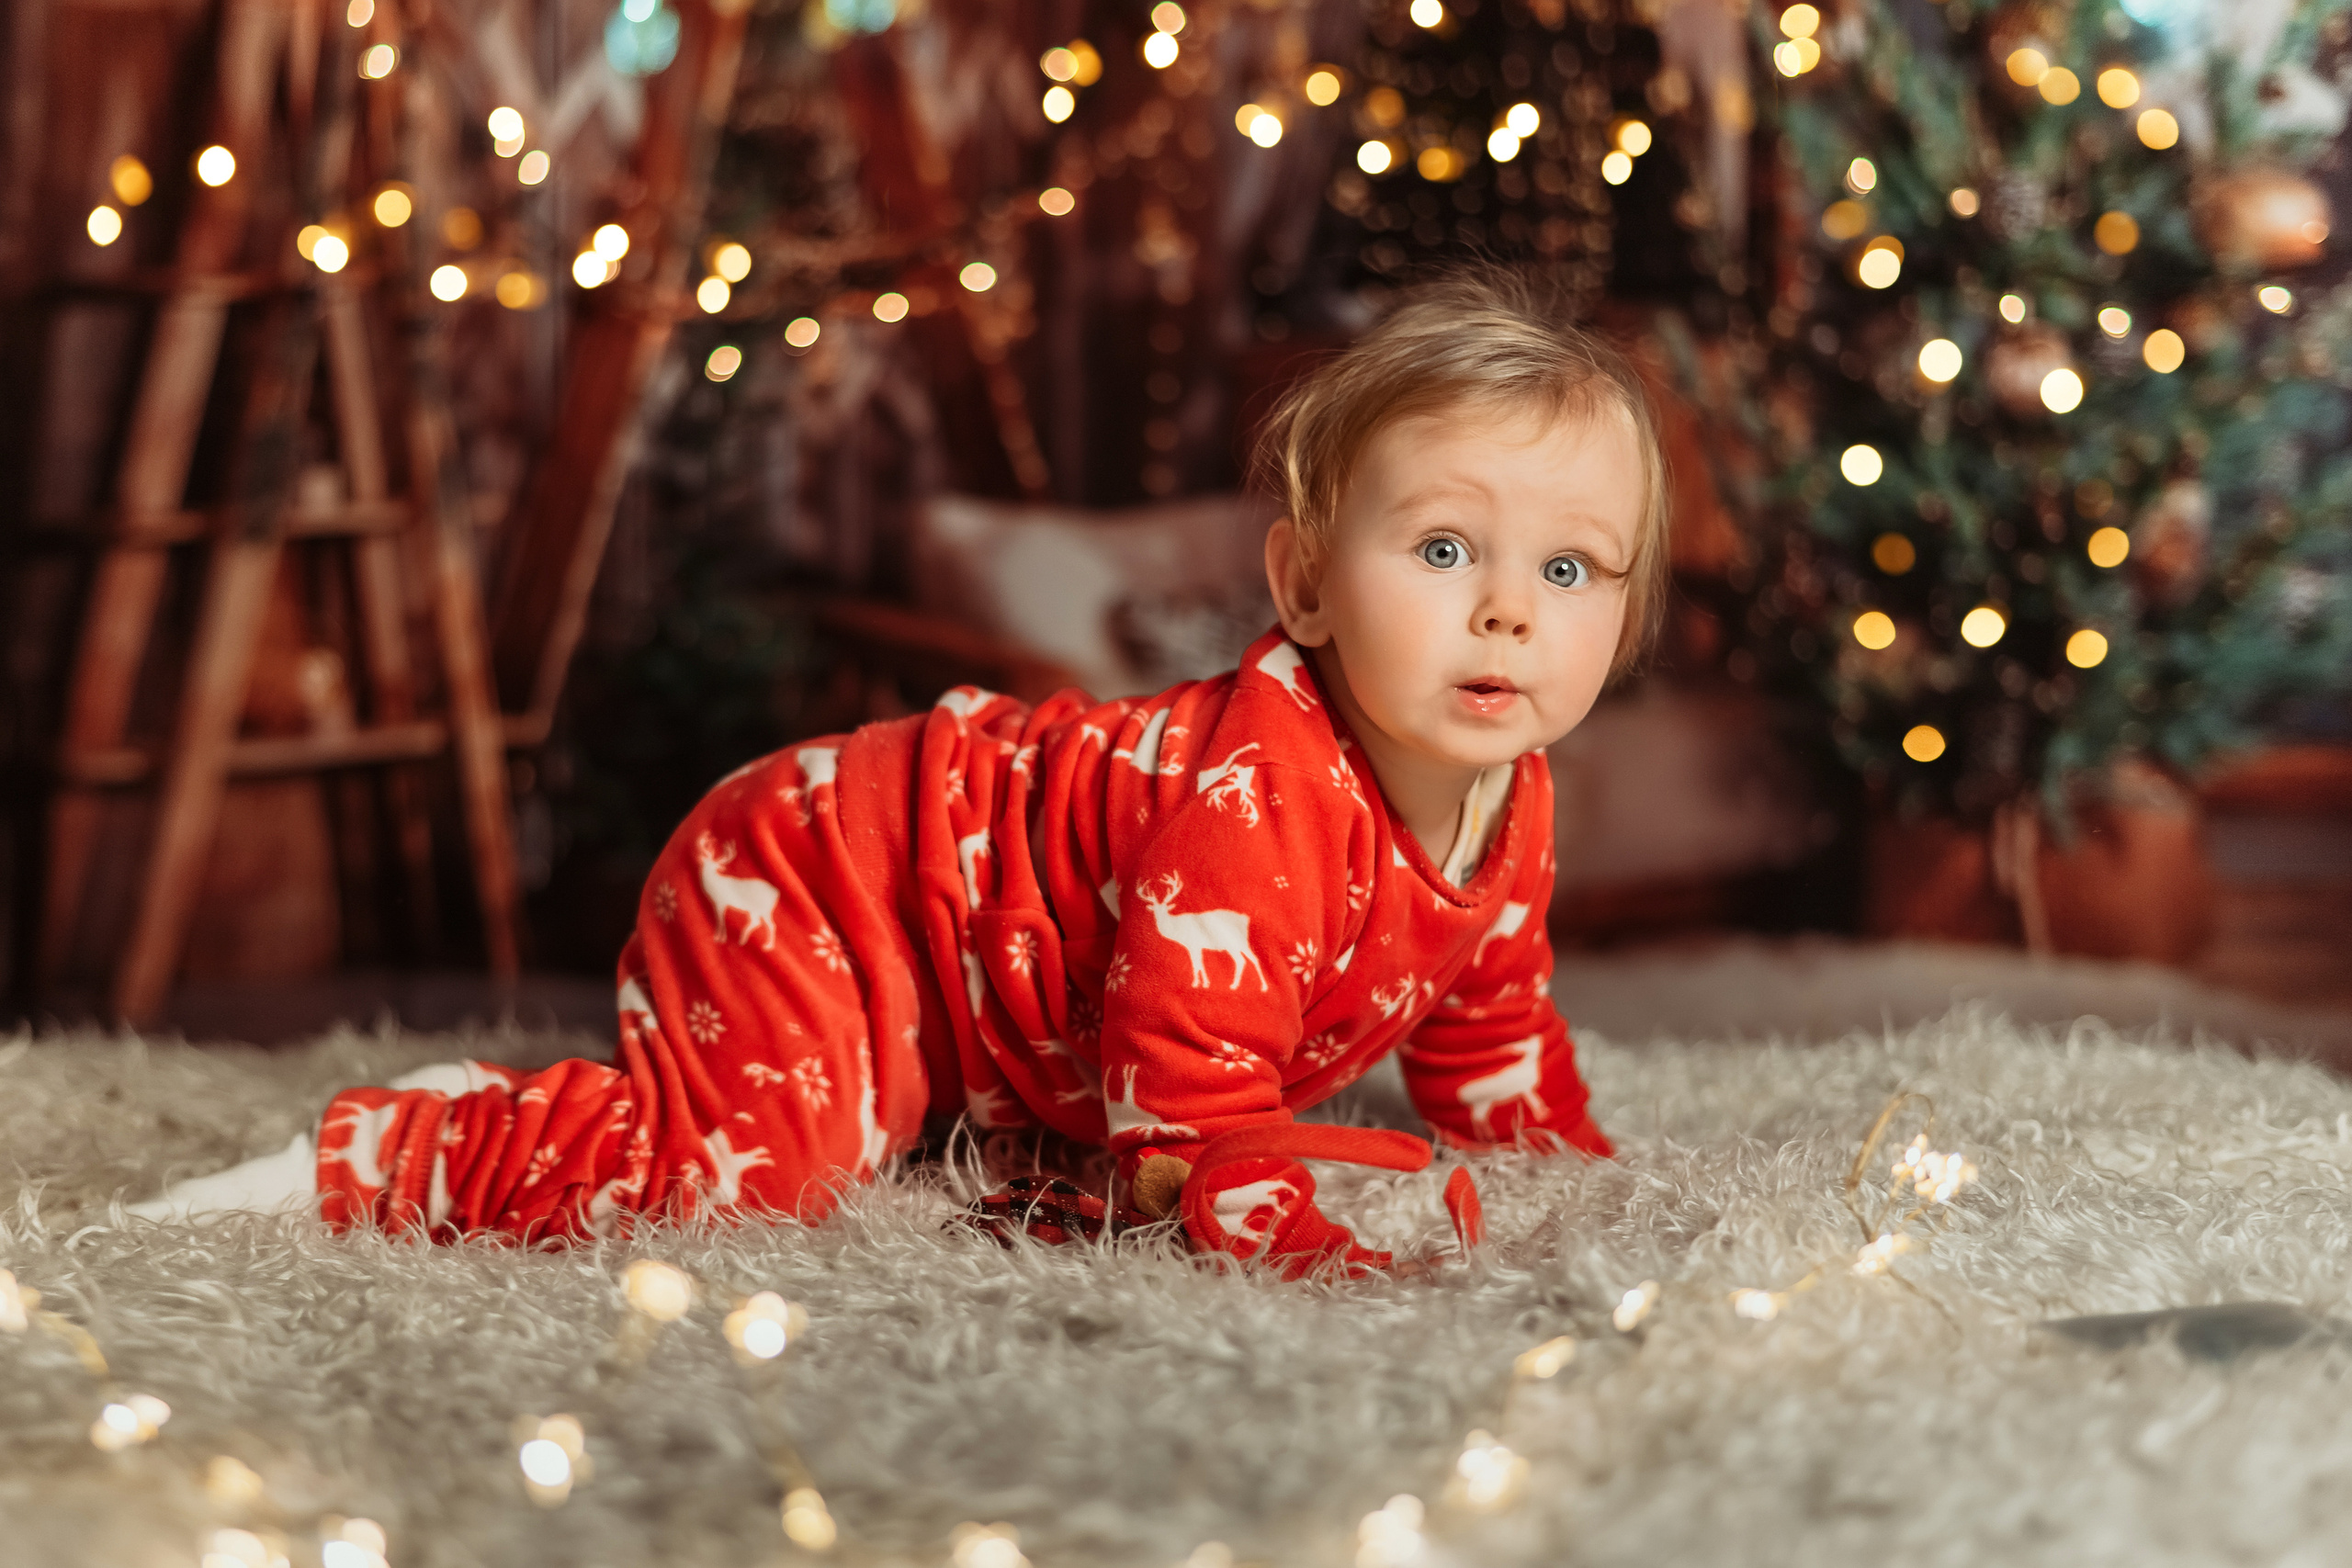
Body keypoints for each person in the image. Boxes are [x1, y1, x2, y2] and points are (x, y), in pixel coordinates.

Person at [130, 266, 1669, 1276]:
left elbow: (1488, 1013)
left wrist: (1568, 1177)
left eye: (1571, 569)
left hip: (965, 971)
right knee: (742, 1181)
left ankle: (907, 1091)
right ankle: (418, 1143)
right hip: (831, 869)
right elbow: (1185, 1087)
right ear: (1307, 585)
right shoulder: (1258, 793)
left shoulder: (1512, 797)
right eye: (1445, 547)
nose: (1509, 610)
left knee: (881, 1134)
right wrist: (1269, 1217)